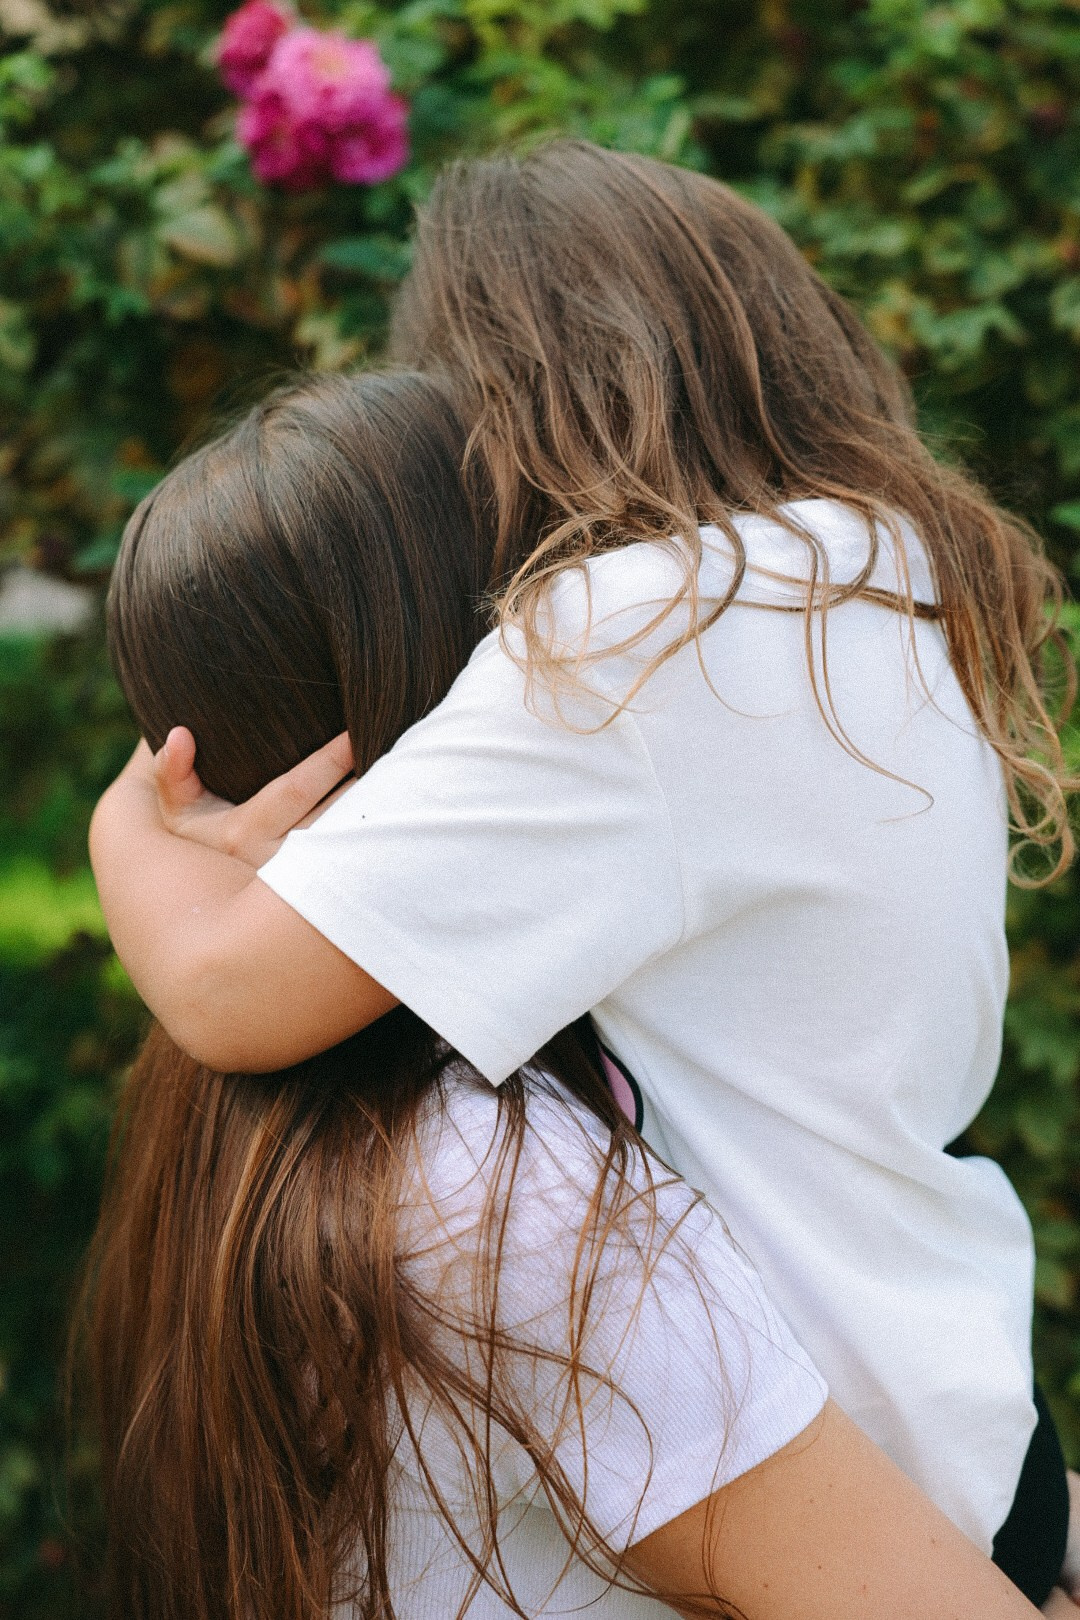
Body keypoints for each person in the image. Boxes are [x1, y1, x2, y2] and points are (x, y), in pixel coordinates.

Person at [89, 143, 1080, 1604]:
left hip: (856, 1440)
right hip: (961, 1381)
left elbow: (229, 997)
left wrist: (135, 831)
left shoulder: (640, 635)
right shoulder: (880, 581)